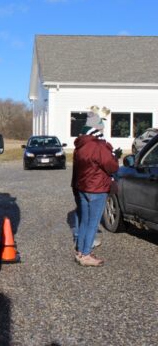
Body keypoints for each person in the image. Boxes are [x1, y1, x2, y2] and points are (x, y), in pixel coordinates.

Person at [71, 106, 121, 267]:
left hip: (83, 188)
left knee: (85, 221)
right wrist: (114, 156)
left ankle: (81, 251)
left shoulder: (81, 145)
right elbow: (112, 167)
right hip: (97, 189)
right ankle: (85, 255)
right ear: (97, 128)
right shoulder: (99, 146)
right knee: (92, 223)